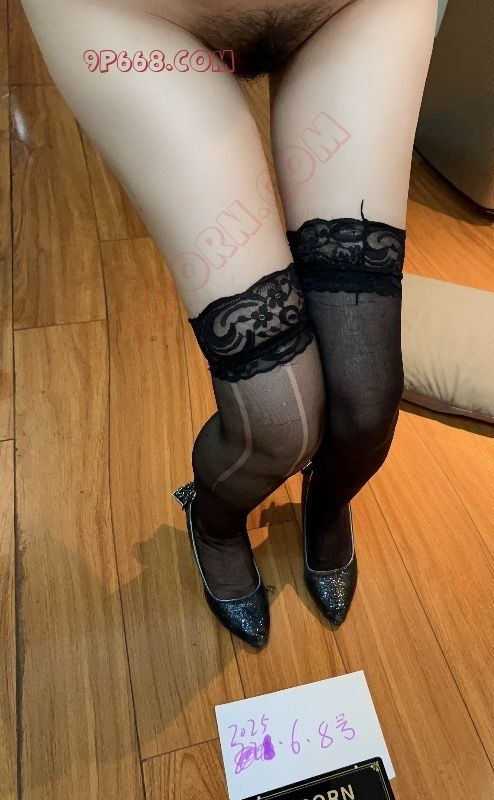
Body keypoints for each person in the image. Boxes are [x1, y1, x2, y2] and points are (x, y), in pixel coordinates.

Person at [22, 0, 439, 647]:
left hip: (355, 10)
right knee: (275, 422)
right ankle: (214, 523)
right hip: (135, 21)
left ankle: (327, 503)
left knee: (367, 406)